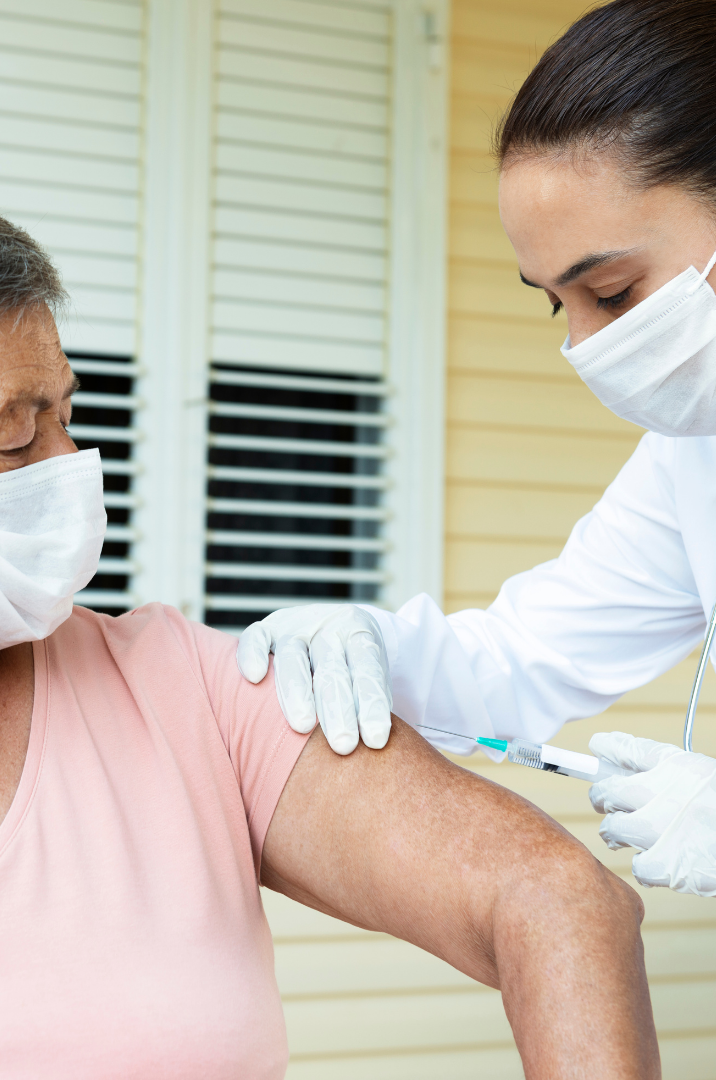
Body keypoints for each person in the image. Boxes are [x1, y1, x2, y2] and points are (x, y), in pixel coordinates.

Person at [0, 194, 655, 1078]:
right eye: (15, 436)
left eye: (69, 416)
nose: (75, 466)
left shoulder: (198, 698)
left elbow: (557, 900)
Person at [238, 0, 716, 900]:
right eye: (554, 303)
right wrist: (374, 643)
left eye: (610, 292)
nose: (581, 345)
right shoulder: (693, 455)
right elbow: (528, 658)